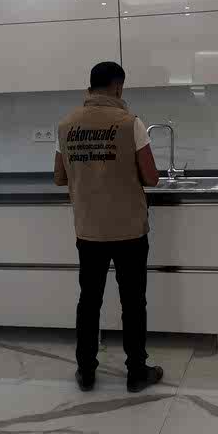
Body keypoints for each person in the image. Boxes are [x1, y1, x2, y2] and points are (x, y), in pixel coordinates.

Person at [53, 61, 165, 393]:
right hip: (129, 230)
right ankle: (136, 372)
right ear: (118, 87)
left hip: (89, 229)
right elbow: (152, 178)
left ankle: (86, 371)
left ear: (90, 86)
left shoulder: (66, 125)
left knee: (89, 301)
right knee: (133, 302)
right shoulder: (131, 123)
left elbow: (59, 177)